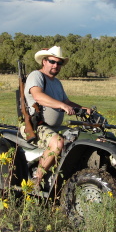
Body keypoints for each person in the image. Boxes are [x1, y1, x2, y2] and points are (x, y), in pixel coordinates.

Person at [21, 46, 91, 190]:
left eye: (59, 63)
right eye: (52, 62)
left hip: (55, 126)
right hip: (36, 126)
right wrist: (62, 106)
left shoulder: (57, 82)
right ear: (44, 61)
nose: (55, 65)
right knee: (58, 143)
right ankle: (37, 178)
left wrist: (84, 109)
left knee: (81, 136)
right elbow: (38, 96)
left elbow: (67, 102)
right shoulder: (37, 76)